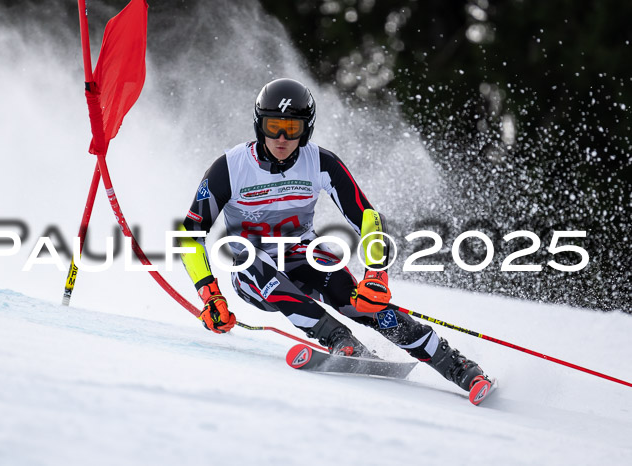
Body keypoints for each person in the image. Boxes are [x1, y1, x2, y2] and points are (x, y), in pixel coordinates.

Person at [178, 78, 489, 393]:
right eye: (273, 127)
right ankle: (339, 339)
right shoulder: (229, 169)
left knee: (362, 303)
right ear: (260, 125)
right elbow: (191, 235)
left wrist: (375, 276)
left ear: (307, 129)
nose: (282, 138)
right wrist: (210, 295)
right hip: (254, 272)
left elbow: (367, 218)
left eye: (293, 128)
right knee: (248, 259)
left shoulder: (321, 162)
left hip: (302, 255)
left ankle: (458, 367)